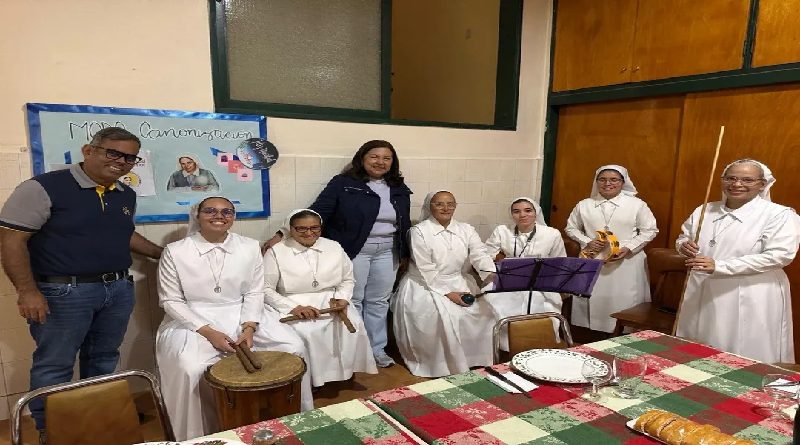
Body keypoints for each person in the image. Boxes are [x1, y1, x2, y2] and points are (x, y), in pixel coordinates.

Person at [0, 127, 163, 443]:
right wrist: (27, 291)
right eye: (113, 153)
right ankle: (54, 433)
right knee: (55, 366)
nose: (121, 162)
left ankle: (97, 424)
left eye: (130, 157)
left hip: (116, 290)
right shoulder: (43, 188)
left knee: (103, 359)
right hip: (62, 293)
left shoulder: (123, 193)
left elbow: (123, 235)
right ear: (89, 151)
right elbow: (11, 240)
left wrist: (164, 254)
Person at [155, 197, 313, 441]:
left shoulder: (249, 246)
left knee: (293, 347)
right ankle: (204, 433)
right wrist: (209, 333)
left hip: (244, 313)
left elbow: (254, 291)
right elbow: (171, 301)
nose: (219, 216)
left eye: (227, 211)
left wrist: (249, 327)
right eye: (211, 211)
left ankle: (286, 418)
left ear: (234, 216)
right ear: (198, 215)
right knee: (191, 367)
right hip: (195, 319)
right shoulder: (175, 251)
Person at [263, 140, 412, 368]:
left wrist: (404, 253)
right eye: (374, 156)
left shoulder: (398, 188)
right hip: (354, 248)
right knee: (355, 300)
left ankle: (376, 349)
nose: (380, 162)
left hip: (388, 250)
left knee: (380, 301)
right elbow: (317, 211)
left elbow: (404, 222)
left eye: (386, 158)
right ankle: (356, 349)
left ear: (393, 162)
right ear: (362, 158)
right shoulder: (344, 183)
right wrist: (281, 234)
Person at [676, 159, 799, 363]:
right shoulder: (705, 209)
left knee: (744, 349)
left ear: (762, 184)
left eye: (747, 180)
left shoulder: (779, 214)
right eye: (731, 178)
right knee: (701, 345)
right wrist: (683, 246)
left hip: (752, 292)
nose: (737, 184)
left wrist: (720, 266)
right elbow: (684, 236)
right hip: (703, 289)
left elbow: (779, 255)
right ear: (722, 180)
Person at [264, 209, 377, 387]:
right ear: (291, 229)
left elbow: (347, 278)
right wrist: (295, 308)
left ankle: (344, 371)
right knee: (308, 332)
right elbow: (266, 289)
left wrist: (343, 299)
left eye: (314, 228)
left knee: (352, 323)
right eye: (301, 229)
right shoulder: (276, 252)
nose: (309, 233)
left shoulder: (333, 246)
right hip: (293, 303)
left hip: (331, 300)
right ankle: (313, 380)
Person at [391, 190, 497, 377]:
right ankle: (440, 365)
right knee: (444, 317)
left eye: (450, 204)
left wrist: (490, 273)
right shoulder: (419, 232)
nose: (445, 208)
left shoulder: (466, 229)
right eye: (439, 204)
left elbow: (479, 254)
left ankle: (475, 360)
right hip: (424, 283)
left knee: (485, 313)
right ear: (430, 207)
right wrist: (448, 293)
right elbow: (426, 268)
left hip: (459, 279)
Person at [565, 165, 658, 334]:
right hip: (593, 258)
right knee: (594, 299)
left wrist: (628, 248)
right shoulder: (584, 205)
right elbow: (571, 228)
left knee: (623, 299)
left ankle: (623, 333)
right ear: (597, 182)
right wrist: (587, 241)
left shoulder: (637, 205)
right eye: (602, 179)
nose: (607, 183)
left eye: (613, 179)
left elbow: (650, 230)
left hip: (625, 261)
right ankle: (591, 335)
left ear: (623, 182)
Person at [484, 197, 567, 349]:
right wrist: (497, 265)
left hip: (541, 283)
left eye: (528, 210)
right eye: (517, 211)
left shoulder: (552, 234)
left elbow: (560, 263)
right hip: (509, 280)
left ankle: (534, 345)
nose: (522, 215)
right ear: (512, 215)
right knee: (489, 302)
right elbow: (485, 254)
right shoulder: (502, 231)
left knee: (537, 303)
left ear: (536, 213)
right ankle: (505, 348)